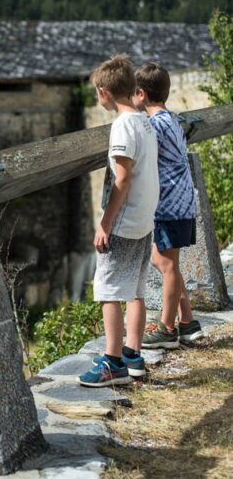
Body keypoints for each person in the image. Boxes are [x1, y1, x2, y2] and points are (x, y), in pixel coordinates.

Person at [79, 55, 159, 388]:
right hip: (145, 218)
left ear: (105, 92)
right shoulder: (144, 120)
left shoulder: (123, 126)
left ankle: (112, 362)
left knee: (108, 289)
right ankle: (132, 356)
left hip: (125, 222)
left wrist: (104, 224)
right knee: (135, 290)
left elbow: (122, 179)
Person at [133, 62, 203, 348]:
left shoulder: (154, 126)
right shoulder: (171, 119)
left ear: (140, 93)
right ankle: (187, 321)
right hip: (181, 201)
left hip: (169, 205)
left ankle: (167, 328)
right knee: (166, 262)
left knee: (165, 263)